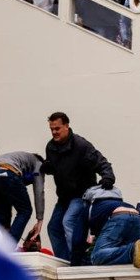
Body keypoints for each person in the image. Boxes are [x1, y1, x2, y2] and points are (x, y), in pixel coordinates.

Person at [43, 112, 115, 261]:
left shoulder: (81, 146)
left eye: (57, 128)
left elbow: (101, 162)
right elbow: (55, 166)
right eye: (52, 129)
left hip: (81, 194)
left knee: (68, 221)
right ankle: (64, 261)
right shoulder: (51, 147)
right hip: (64, 197)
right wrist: (48, 167)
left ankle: (79, 259)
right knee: (53, 228)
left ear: (67, 126)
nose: (54, 132)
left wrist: (108, 177)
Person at [70, 184, 140, 268]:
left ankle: (131, 250)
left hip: (118, 217)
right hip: (136, 216)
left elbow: (77, 240)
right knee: (135, 256)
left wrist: (74, 266)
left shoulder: (90, 208)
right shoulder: (117, 203)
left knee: (96, 256)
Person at [0, 151, 45, 243]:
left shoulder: (18, 158)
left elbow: (9, 195)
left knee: (1, 213)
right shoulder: (38, 163)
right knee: (25, 211)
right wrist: (40, 219)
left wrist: (7, 229)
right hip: (6, 172)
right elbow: (39, 190)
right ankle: (9, 247)